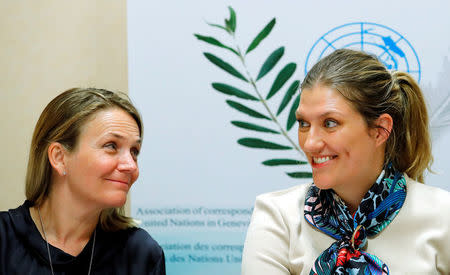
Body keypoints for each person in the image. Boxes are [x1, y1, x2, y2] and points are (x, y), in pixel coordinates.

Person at [241, 49, 450, 274]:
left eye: (330, 123)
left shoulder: (443, 217)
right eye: (303, 123)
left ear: (380, 130)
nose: (310, 143)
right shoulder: (277, 217)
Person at [0, 88, 166, 274]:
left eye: (134, 151)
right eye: (111, 146)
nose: (131, 166)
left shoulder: (141, 254)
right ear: (59, 157)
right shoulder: (4, 240)